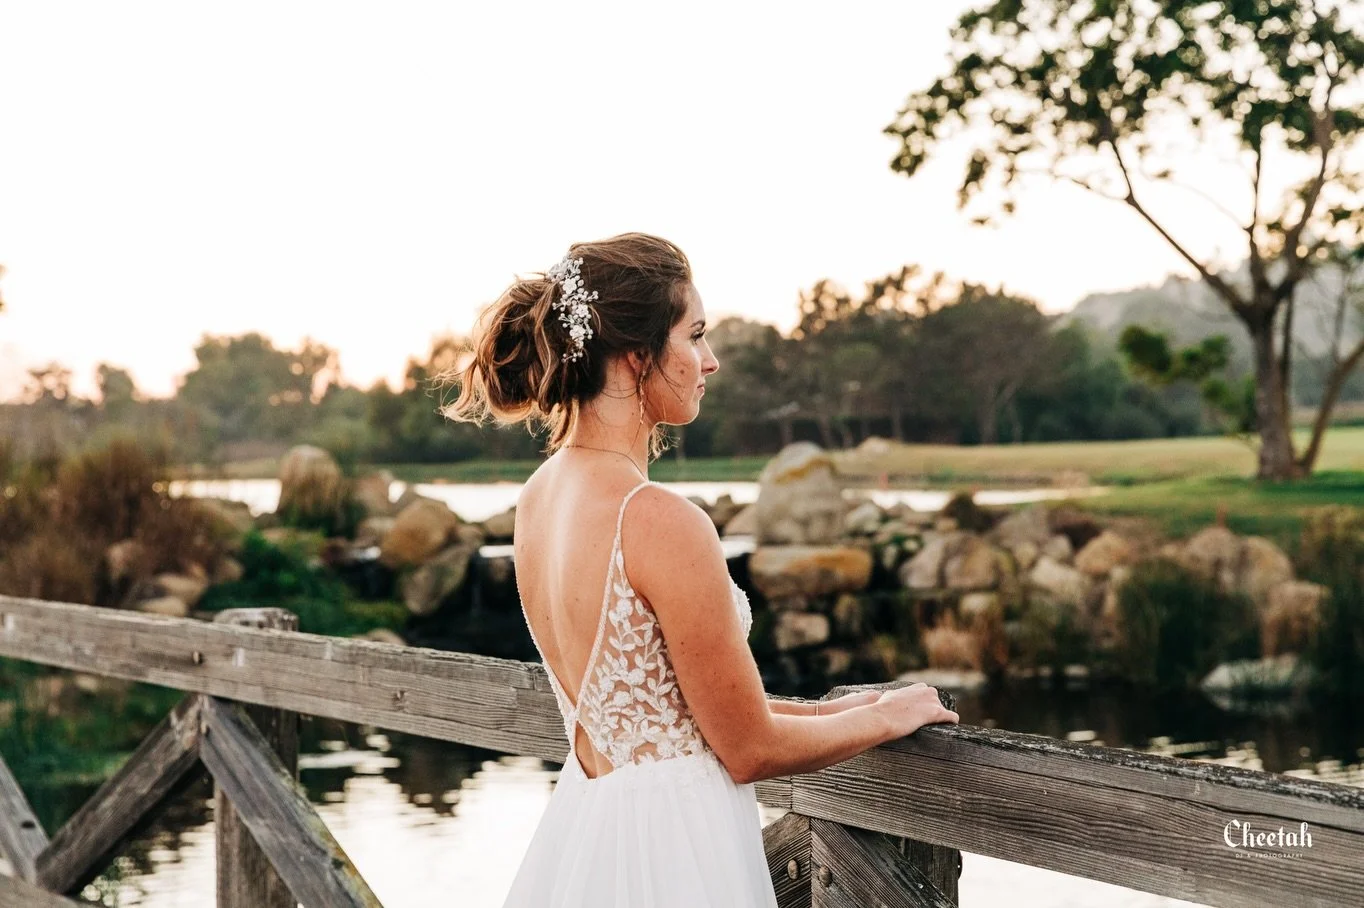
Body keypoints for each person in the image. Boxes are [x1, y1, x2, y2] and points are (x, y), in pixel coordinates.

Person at [443, 232, 959, 907]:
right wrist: (890, 719)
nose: (709, 362)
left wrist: (833, 707)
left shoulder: (541, 496)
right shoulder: (657, 517)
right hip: (675, 851)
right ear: (636, 356)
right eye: (695, 337)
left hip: (594, 831)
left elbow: (672, 712)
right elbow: (749, 749)